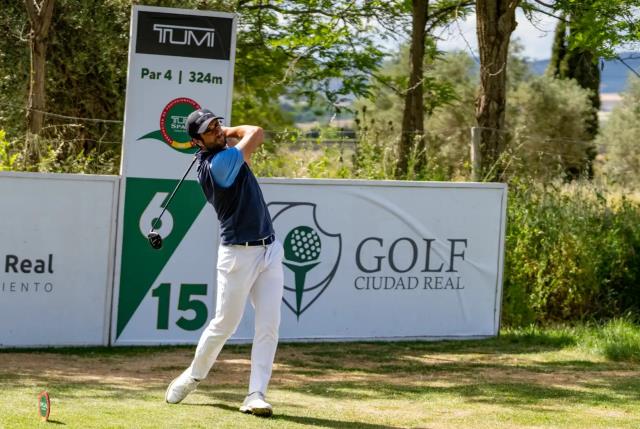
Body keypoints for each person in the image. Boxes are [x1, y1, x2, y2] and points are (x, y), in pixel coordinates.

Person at [164, 108, 284, 417]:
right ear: (197, 142)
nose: (218, 130)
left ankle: (256, 394)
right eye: (210, 129)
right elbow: (256, 132)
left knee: (269, 326)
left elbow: (248, 136)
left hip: (268, 249)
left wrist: (219, 132)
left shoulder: (221, 154)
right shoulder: (218, 164)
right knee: (225, 324)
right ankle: (193, 375)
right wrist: (230, 130)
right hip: (237, 255)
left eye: (218, 124)